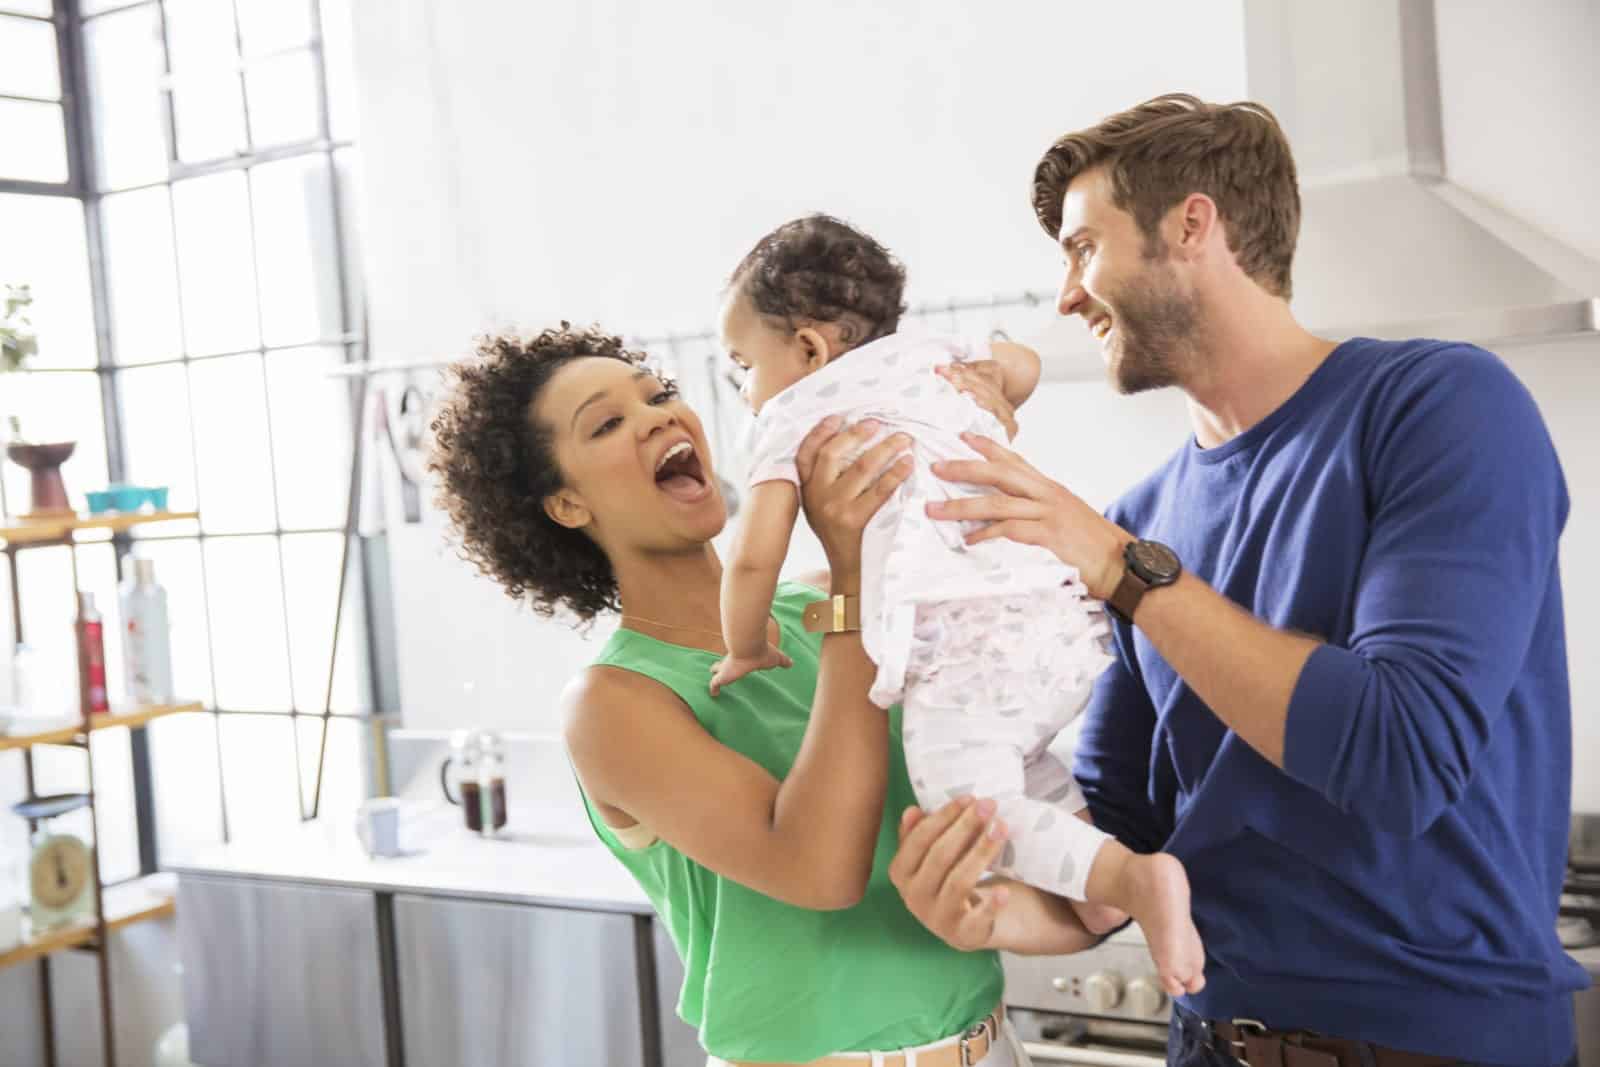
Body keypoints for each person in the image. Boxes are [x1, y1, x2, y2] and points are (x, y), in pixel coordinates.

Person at [886, 93, 1588, 1066]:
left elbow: (1401, 750)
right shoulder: (1143, 517)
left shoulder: (1441, 407)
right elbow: (1121, 848)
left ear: (1191, 224)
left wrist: (1118, 568)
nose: (1064, 296)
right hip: (1211, 1040)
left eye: (1084, 246)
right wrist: (996, 911)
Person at [427, 324, 1065, 1067]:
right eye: (606, 423)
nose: (657, 415)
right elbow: (818, 868)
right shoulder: (614, 701)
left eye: (659, 394)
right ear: (568, 504)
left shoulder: (818, 609)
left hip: (993, 1046)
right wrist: (856, 581)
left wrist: (962, 411)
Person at [711, 213, 1204, 995]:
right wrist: (998, 389)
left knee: (967, 798)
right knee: (1023, 766)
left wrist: (744, 642)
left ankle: (1136, 880)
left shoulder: (790, 418)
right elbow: (1024, 362)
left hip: (969, 646)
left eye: (743, 363)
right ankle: (1094, 889)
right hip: (1057, 615)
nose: (744, 385)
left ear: (807, 350)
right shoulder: (929, 355)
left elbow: (752, 559)